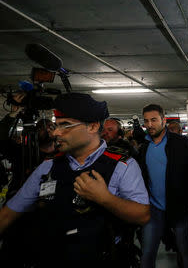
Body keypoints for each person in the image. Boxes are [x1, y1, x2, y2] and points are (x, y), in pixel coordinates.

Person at [0, 93, 150, 267]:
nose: (56, 132)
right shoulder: (48, 166)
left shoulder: (122, 166)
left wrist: (105, 198)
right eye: (56, 125)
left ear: (92, 127)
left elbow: (143, 215)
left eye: (65, 125)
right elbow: (9, 213)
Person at [138, 104, 188, 268]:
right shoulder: (144, 148)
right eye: (147, 121)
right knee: (147, 253)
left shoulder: (181, 143)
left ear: (163, 120)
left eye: (154, 120)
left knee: (185, 250)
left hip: (180, 208)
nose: (150, 125)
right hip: (154, 210)